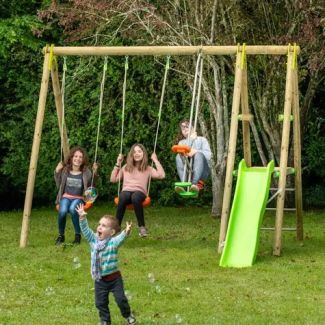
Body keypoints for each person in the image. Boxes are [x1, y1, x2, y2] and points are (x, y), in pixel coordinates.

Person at [75, 203, 137, 325]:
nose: (99, 227)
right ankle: (105, 320)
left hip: (114, 279)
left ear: (112, 232)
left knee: (121, 300)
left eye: (104, 226)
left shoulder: (113, 243)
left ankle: (128, 315)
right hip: (100, 280)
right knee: (100, 303)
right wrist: (82, 217)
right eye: (99, 224)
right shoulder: (93, 240)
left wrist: (126, 231)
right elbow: (86, 230)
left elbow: (121, 237)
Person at [110, 143, 165, 237]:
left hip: (140, 193)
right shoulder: (126, 167)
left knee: (135, 196)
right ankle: (116, 227)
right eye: (134, 152)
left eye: (139, 151)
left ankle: (142, 227)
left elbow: (162, 175)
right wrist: (118, 163)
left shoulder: (147, 168)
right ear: (131, 154)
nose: (137, 153)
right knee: (122, 196)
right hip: (126, 192)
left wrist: (155, 160)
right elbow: (113, 179)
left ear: (143, 154)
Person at [54, 146, 98, 245]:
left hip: (79, 198)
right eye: (75, 156)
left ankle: (77, 235)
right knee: (62, 211)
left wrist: (95, 173)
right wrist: (57, 171)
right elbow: (59, 184)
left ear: (83, 160)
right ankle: (61, 235)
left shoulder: (86, 171)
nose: (78, 159)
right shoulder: (65, 170)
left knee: (74, 209)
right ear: (71, 157)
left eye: (80, 157)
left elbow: (91, 187)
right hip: (66, 196)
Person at [175, 119, 211, 193]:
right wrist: (191, 139)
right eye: (182, 128)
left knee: (198, 154)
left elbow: (209, 155)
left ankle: (195, 184)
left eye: (187, 126)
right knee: (178, 156)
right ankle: (184, 183)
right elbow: (183, 154)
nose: (184, 129)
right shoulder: (181, 143)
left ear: (193, 128)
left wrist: (196, 151)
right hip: (188, 172)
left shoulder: (202, 139)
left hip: (203, 172)